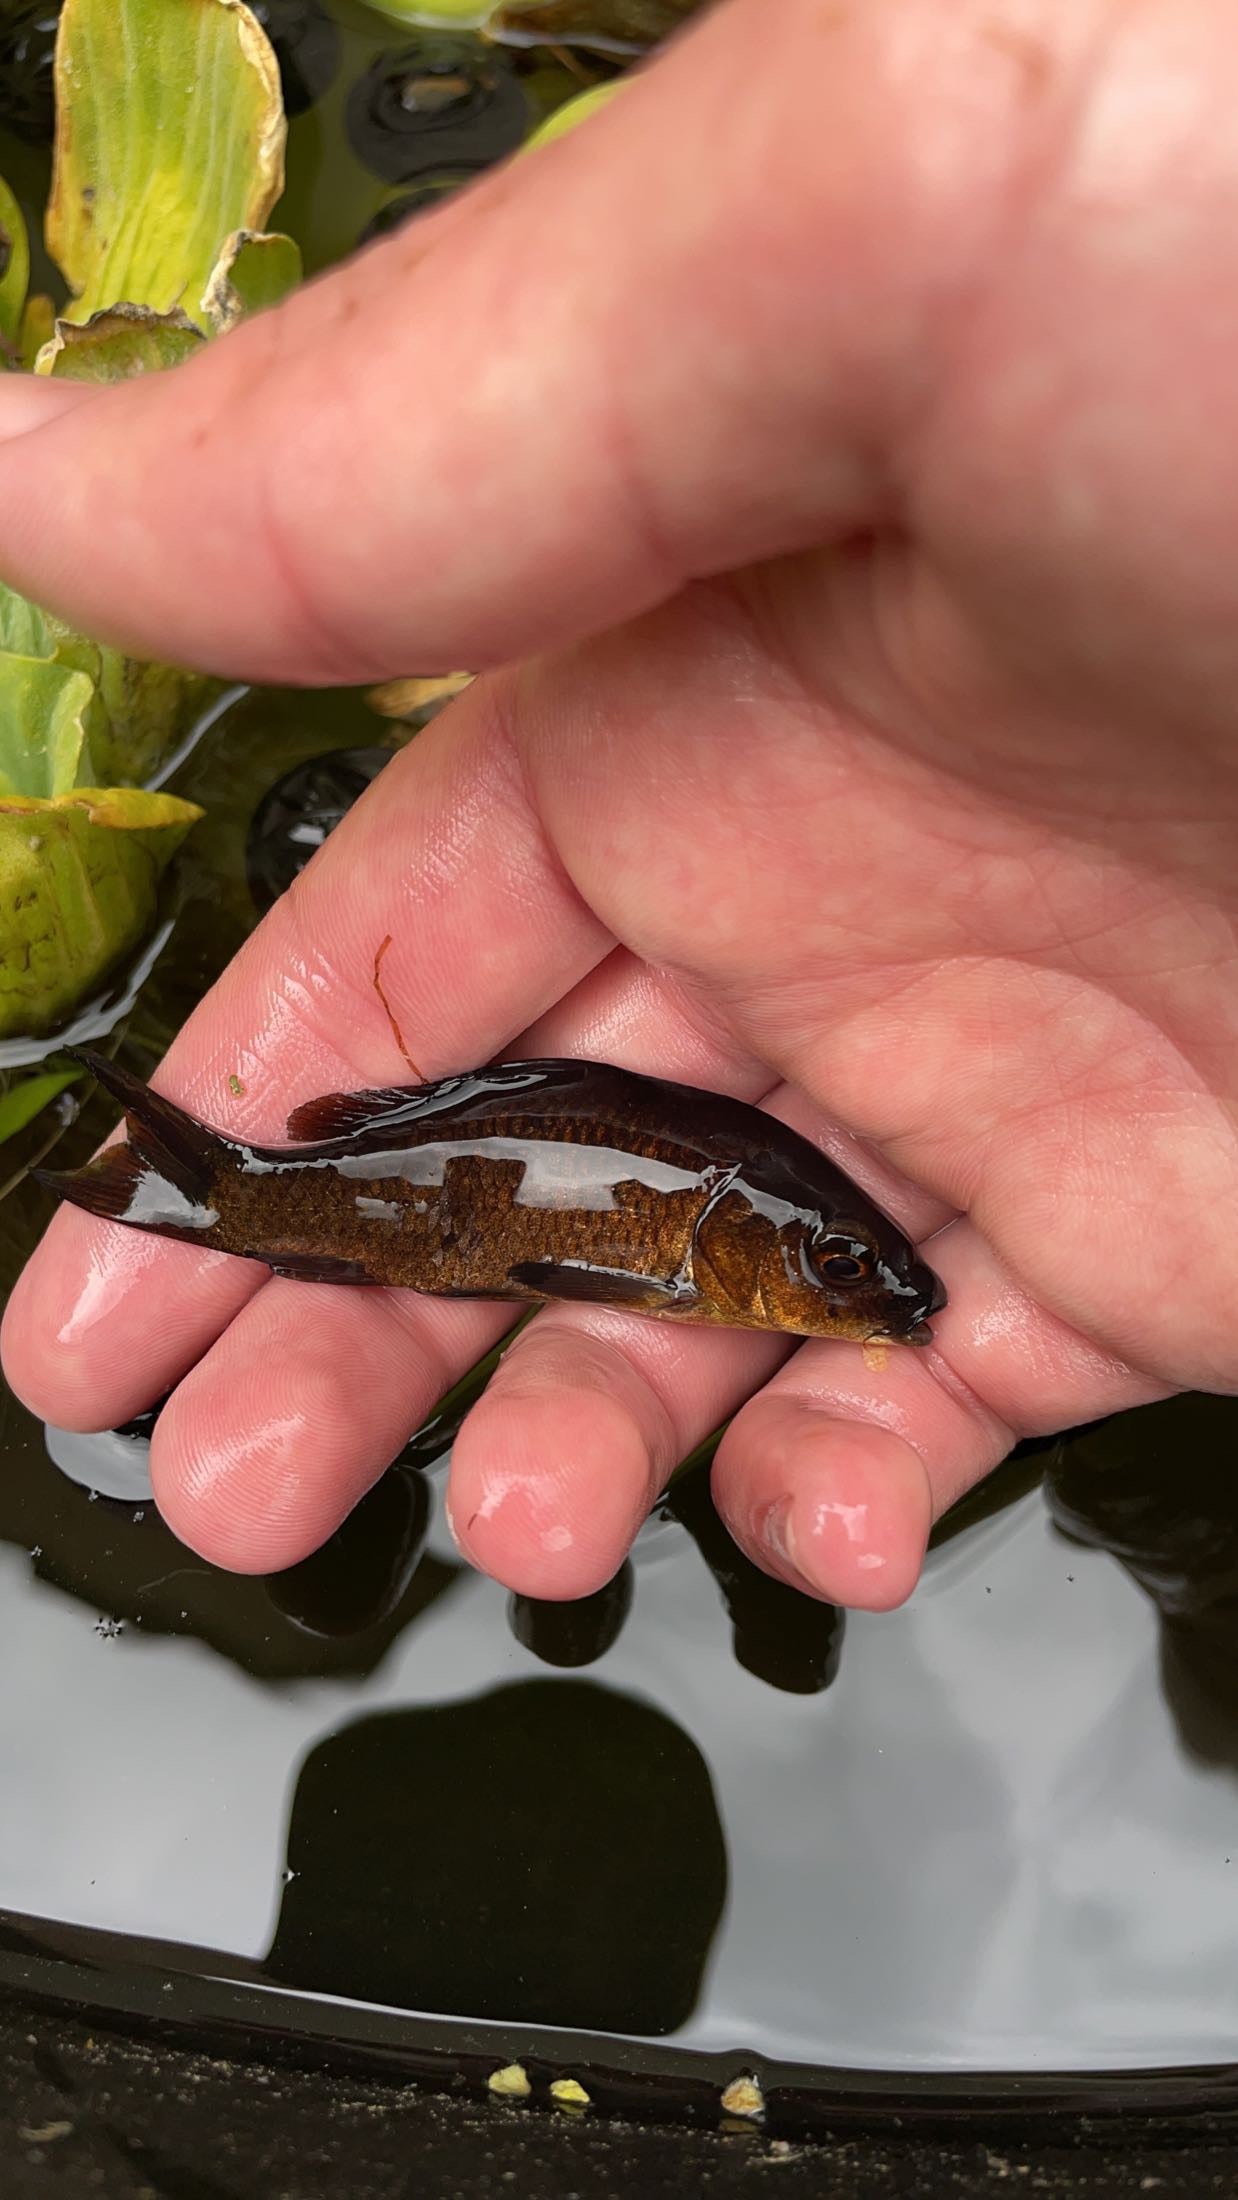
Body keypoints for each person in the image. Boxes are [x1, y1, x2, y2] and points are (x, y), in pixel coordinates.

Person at [2, 0, 1234, 1610]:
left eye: (847, 1268)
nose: (864, 1292)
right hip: (402, 1184)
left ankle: (191, 1185)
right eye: (836, 1269)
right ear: (747, 1246)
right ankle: (192, 1185)